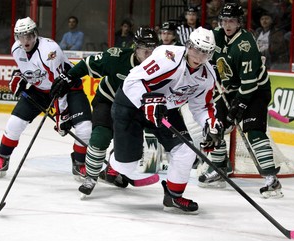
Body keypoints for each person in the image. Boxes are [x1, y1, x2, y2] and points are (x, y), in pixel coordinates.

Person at [109, 27, 223, 214]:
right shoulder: (166, 56)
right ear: (188, 46)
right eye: (196, 50)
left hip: (165, 110)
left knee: (186, 150)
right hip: (131, 105)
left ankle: (173, 196)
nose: (199, 57)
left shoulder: (207, 76)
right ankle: (113, 165)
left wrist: (210, 125)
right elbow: (132, 81)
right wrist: (148, 100)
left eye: (205, 53)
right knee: (127, 165)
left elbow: (202, 107)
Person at [50, 27, 160, 196]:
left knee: (131, 142)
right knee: (100, 136)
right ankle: (91, 177)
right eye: (145, 50)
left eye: (152, 50)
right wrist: (68, 77)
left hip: (135, 108)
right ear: (135, 47)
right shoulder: (116, 57)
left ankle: (114, 169)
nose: (149, 55)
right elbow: (88, 64)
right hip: (108, 100)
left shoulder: (161, 66)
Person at [0, 17, 92, 179]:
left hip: (69, 89)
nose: (25, 40)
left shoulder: (50, 51)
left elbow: (59, 85)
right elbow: (31, 71)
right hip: (40, 91)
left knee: (84, 128)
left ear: (35, 34)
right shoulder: (16, 50)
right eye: (21, 36)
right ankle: (2, 159)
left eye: (28, 35)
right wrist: (20, 78)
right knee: (14, 123)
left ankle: (79, 163)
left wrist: (61, 115)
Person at [198, 3, 284, 199]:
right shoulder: (216, 36)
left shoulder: (246, 44)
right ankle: (220, 168)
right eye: (225, 21)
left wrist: (240, 104)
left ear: (239, 23)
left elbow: (250, 82)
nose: (228, 25)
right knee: (215, 125)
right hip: (229, 90)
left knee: (254, 132)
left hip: (255, 91)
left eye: (232, 21)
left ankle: (271, 179)